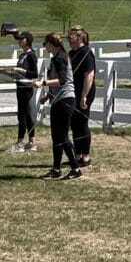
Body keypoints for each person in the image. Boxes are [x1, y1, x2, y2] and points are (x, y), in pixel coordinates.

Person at [34, 33, 82, 179]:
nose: (44, 46)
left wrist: (42, 83)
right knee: (56, 137)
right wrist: (48, 95)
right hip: (58, 100)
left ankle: (75, 169)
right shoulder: (55, 58)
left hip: (65, 100)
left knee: (62, 136)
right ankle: (56, 169)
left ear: (51, 43)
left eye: (45, 43)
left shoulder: (60, 57)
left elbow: (61, 80)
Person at [68, 24, 96, 167]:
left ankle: (85, 156)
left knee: (82, 123)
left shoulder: (86, 52)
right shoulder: (71, 53)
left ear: (79, 37)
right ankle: (77, 154)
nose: (68, 39)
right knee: (74, 124)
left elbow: (89, 75)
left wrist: (84, 96)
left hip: (84, 92)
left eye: (71, 36)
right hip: (73, 92)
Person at [7, 31, 39, 153]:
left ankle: (20, 143)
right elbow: (19, 74)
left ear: (28, 41)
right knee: (25, 115)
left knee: (24, 115)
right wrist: (8, 73)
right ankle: (30, 142)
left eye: (22, 39)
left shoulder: (31, 56)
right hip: (20, 87)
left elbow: (34, 74)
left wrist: (20, 70)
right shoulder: (22, 56)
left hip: (27, 88)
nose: (19, 41)